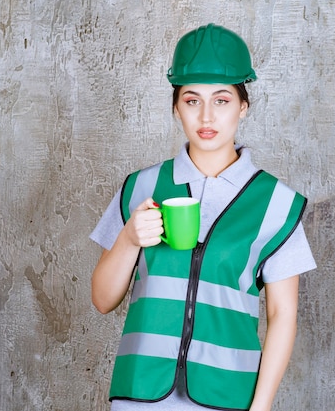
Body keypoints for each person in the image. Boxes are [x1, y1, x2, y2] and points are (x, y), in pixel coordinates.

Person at [90, 23, 316, 411]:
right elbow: (102, 299)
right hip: (139, 394)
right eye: (192, 100)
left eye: (222, 100)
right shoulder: (140, 188)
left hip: (227, 397)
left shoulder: (277, 204)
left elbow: (282, 316)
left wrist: (258, 408)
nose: (207, 116)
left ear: (243, 106)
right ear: (176, 106)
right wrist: (128, 239)